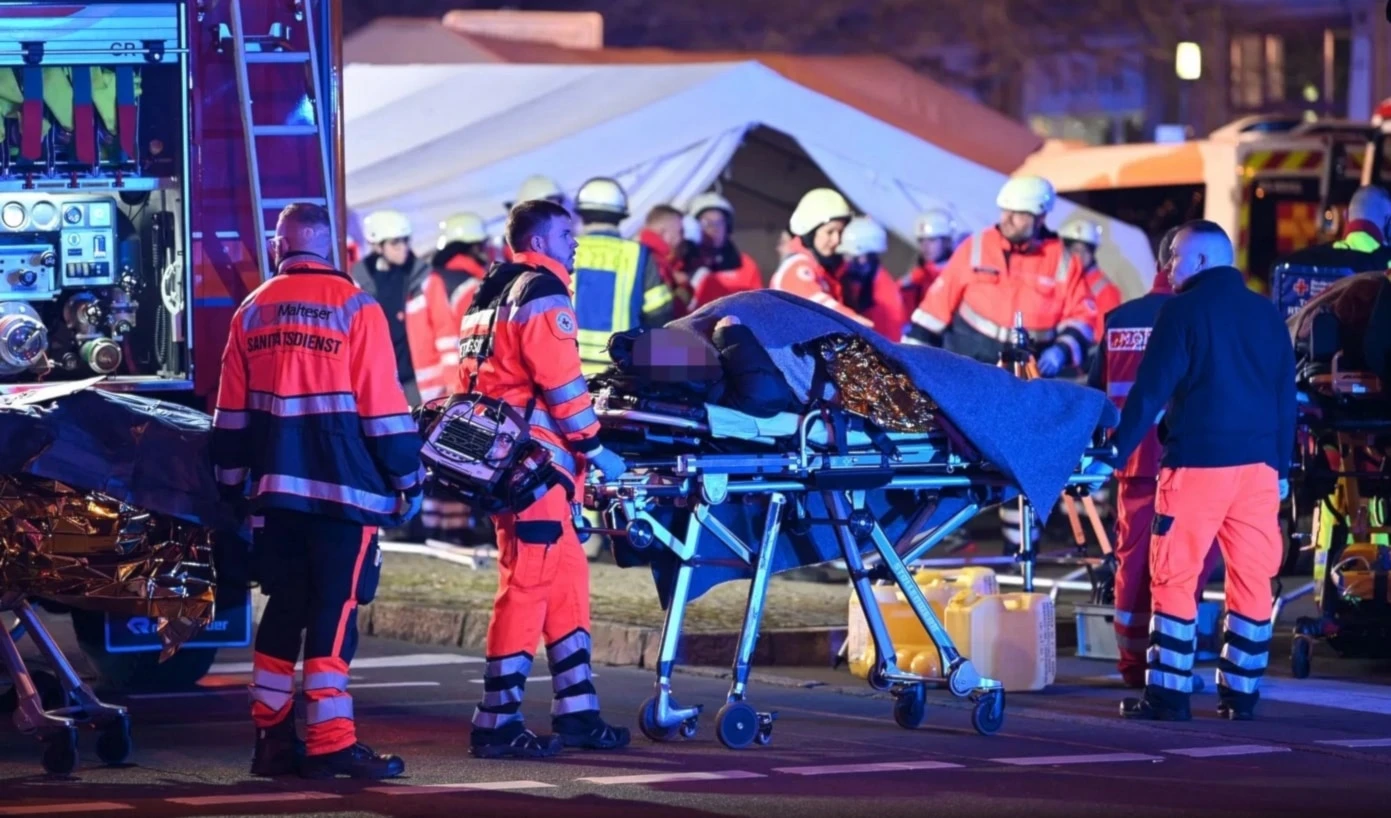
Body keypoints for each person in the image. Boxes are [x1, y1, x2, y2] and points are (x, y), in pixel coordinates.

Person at [212, 203, 421, 780]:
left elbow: (229, 417)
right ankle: (332, 741)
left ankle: (271, 740)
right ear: (330, 248)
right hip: (344, 494)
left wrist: (231, 489)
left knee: (283, 608)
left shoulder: (251, 311)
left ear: (279, 247)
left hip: (275, 496)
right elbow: (382, 409)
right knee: (335, 609)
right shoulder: (358, 307)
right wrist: (407, 478)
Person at [1090, 219, 1295, 722]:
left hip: (1198, 466)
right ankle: (1242, 693)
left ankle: (1167, 695)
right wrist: (1283, 467)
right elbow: (1285, 397)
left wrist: (1114, 452)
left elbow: (1150, 392)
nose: (1168, 267)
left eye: (1175, 257)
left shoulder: (1181, 312)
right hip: (1260, 472)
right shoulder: (1266, 314)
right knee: (1251, 580)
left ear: (1200, 260)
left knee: (1174, 578)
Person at [457, 198, 632, 758]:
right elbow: (563, 386)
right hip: (541, 467)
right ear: (536, 241)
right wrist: (597, 448)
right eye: (564, 234)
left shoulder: (485, 296)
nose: (574, 244)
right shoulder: (543, 294)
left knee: (565, 581)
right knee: (528, 587)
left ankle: (577, 711)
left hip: (506, 466)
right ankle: (496, 719)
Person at [905, 175, 1098, 554]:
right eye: (1006, 212)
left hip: (1026, 376)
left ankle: (1021, 551)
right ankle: (935, 540)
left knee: (1020, 463)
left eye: (1019, 215)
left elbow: (1084, 317)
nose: (1008, 220)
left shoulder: (1062, 260)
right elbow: (933, 311)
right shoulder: (976, 248)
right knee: (956, 458)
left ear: (1040, 216)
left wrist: (1061, 350)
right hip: (972, 370)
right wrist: (906, 363)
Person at [1087, 226, 1220, 688]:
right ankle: (1168, 664)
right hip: (1188, 464)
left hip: (1133, 467)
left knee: (1134, 567)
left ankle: (1131, 662)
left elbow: (1096, 394)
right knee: (1184, 569)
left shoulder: (1121, 319)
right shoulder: (1199, 315)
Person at [350, 210, 460, 407]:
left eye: (405, 240)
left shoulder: (425, 279)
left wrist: (453, 381)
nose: (403, 248)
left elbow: (446, 333)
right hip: (379, 384)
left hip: (422, 388)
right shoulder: (357, 283)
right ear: (377, 245)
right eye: (395, 243)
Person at [571, 177, 676, 376]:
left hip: (567, 366)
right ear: (621, 215)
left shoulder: (566, 249)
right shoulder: (638, 255)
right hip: (618, 367)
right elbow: (659, 313)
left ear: (582, 213)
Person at [769, 188, 875, 329]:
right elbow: (818, 305)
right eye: (830, 231)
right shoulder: (797, 267)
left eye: (840, 232)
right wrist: (856, 323)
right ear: (810, 232)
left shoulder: (825, 271)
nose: (836, 239)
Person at [683, 192, 763, 311]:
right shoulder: (682, 264)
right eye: (707, 223)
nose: (714, 229)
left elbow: (758, 305)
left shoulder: (745, 264)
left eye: (719, 222)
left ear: (728, 226)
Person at [836, 216, 907, 341]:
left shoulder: (885, 295)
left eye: (850, 256)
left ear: (868, 256)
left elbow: (888, 341)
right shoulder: (853, 275)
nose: (846, 261)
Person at [1060, 219, 1123, 341]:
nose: (1080, 256)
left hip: (1086, 354)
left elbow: (1104, 337)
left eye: (1085, 250)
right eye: (1075, 250)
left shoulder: (1106, 290)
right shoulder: (1062, 280)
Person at [431, 212, 491, 327]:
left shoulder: (440, 277)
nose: (486, 249)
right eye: (482, 244)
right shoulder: (470, 287)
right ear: (473, 247)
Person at [638, 204, 694, 318]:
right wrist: (683, 288)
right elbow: (667, 311)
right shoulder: (656, 262)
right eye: (680, 231)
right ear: (663, 233)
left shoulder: (641, 255)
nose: (682, 238)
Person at [899, 209, 956, 322]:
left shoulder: (956, 274)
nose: (925, 246)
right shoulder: (917, 275)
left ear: (946, 241)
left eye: (932, 240)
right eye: (921, 240)